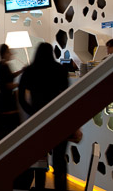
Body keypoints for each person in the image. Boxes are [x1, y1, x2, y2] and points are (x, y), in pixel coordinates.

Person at [18, 42, 73, 190]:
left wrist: (32, 112)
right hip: (58, 120)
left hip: (38, 121)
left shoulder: (30, 71)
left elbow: (21, 98)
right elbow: (67, 96)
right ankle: (61, 187)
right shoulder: (60, 70)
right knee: (59, 160)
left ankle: (40, 186)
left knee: (39, 160)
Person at [0, 44, 24, 147]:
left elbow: (10, 76)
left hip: (6, 100)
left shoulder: (3, 65)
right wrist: (18, 84)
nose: (10, 54)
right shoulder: (3, 66)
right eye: (8, 52)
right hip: (6, 101)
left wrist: (21, 71)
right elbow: (6, 85)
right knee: (7, 125)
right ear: (4, 53)